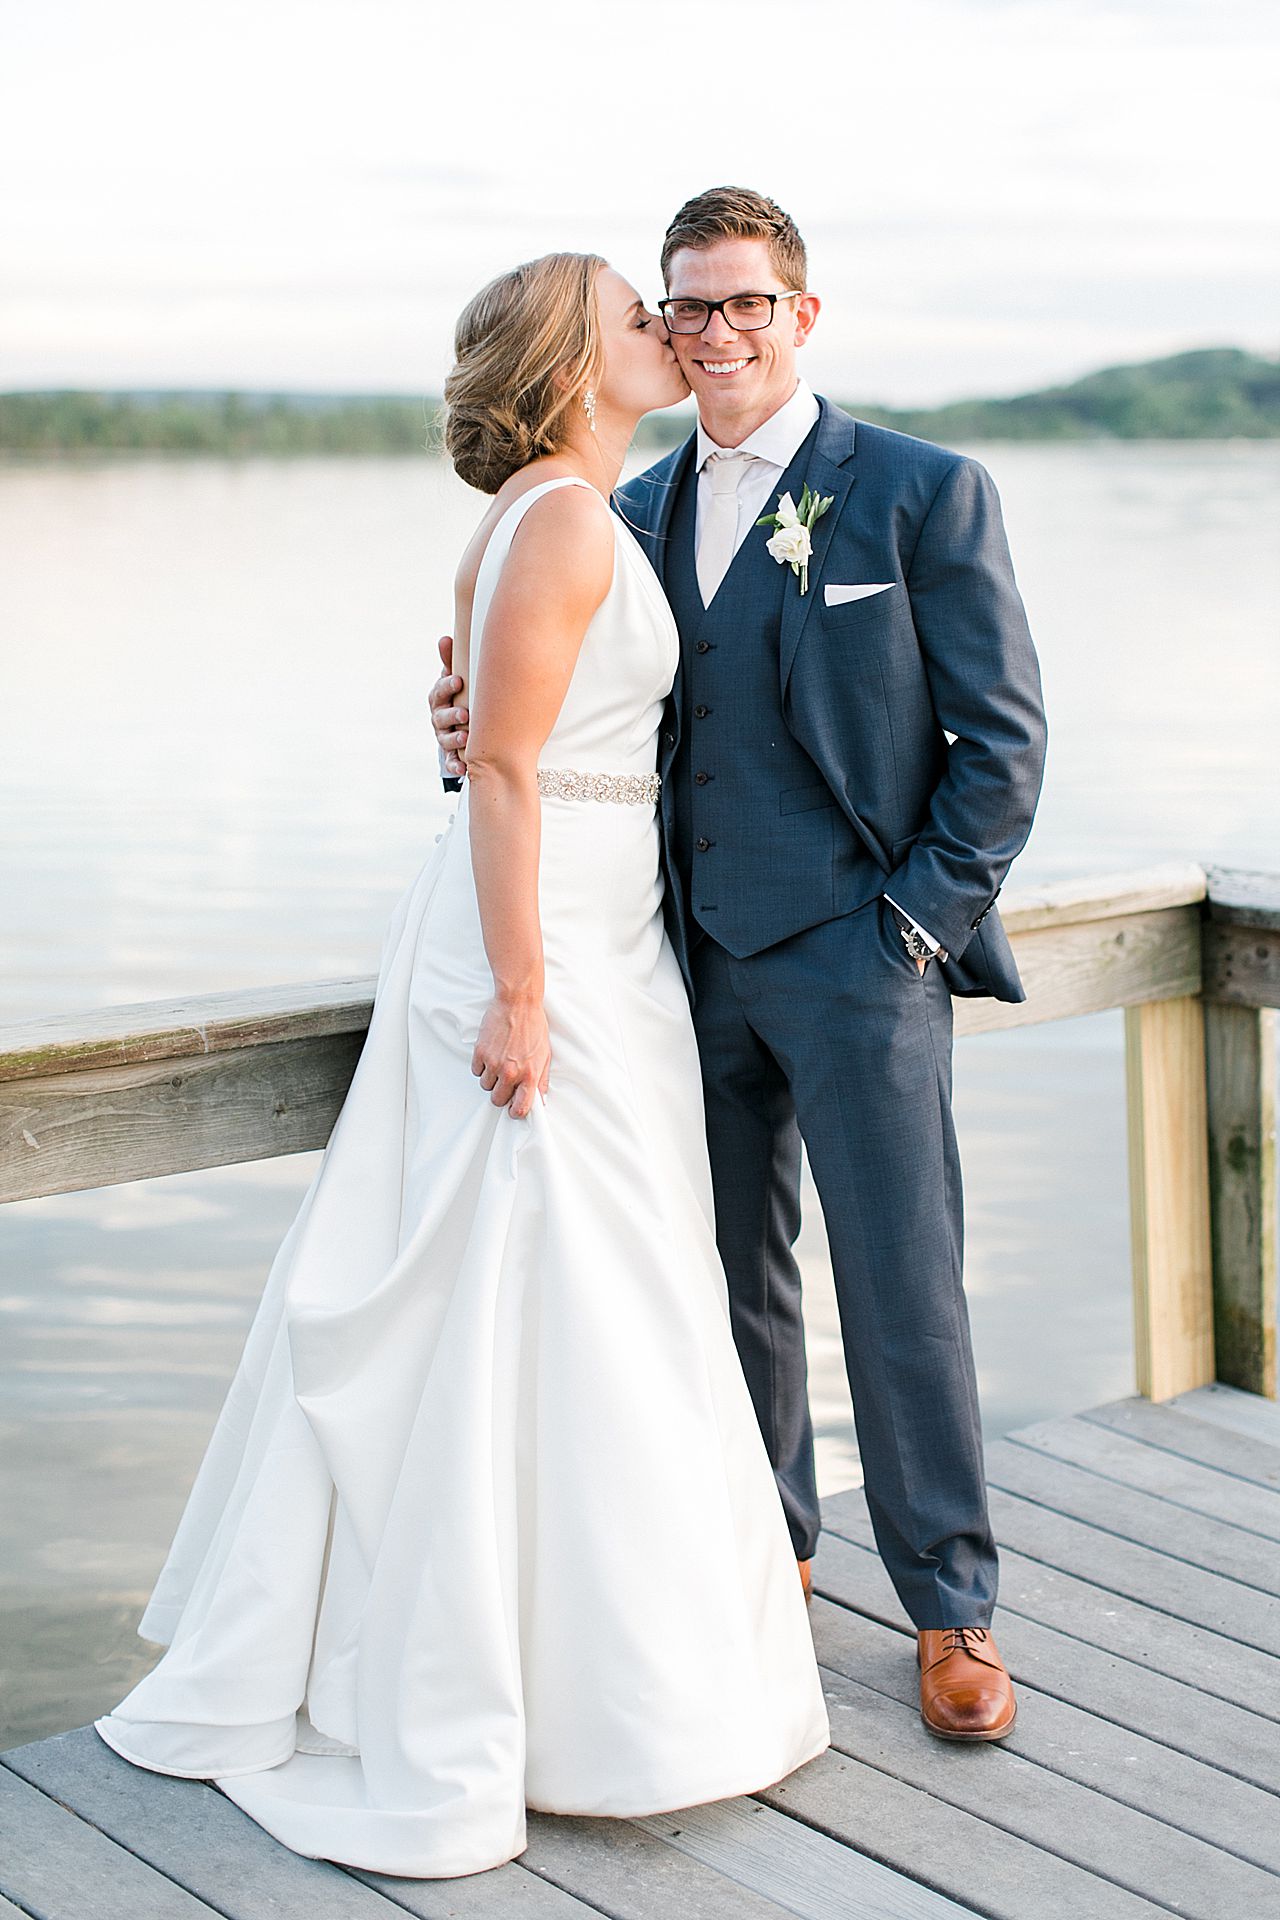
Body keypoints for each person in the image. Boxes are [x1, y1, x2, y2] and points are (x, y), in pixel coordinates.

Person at [93, 251, 831, 1878]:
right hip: (541, 938)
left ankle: (584, 1669)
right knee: (557, 1283)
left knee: (585, 1289)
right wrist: (520, 990)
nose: (670, 331)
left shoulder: (553, 517)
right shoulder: (566, 520)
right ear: (579, 359)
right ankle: (554, 1695)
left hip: (592, 925)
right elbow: (498, 763)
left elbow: (510, 730)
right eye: (642, 318)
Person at [432, 187, 1049, 1743]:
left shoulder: (918, 490)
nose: (712, 334)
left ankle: (952, 1607)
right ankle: (770, 1556)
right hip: (671, 964)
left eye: (744, 304)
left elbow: (1004, 745)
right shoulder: (625, 508)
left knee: (902, 1285)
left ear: (803, 315)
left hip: (861, 959)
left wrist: (917, 926)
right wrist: (459, 740)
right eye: (684, 306)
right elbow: (551, 721)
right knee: (726, 1284)